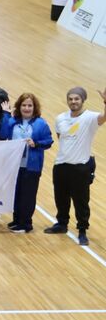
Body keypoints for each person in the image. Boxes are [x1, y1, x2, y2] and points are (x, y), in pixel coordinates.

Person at [45, 86, 105, 246]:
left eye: (76, 99)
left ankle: (82, 231)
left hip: (81, 168)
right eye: (70, 99)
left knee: (81, 201)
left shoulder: (90, 117)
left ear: (82, 100)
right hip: (61, 166)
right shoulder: (60, 118)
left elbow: (104, 117)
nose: (73, 101)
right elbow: (61, 138)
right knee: (61, 198)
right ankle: (62, 224)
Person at [0, 94, 53, 234]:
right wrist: (5, 114)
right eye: (24, 105)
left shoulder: (41, 124)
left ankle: (26, 223)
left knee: (28, 195)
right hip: (15, 165)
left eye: (30, 105)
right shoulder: (13, 121)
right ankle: (17, 220)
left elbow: (49, 141)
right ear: (19, 106)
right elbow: (2, 133)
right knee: (16, 193)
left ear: (35, 108)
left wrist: (37, 143)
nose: (27, 108)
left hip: (32, 166)